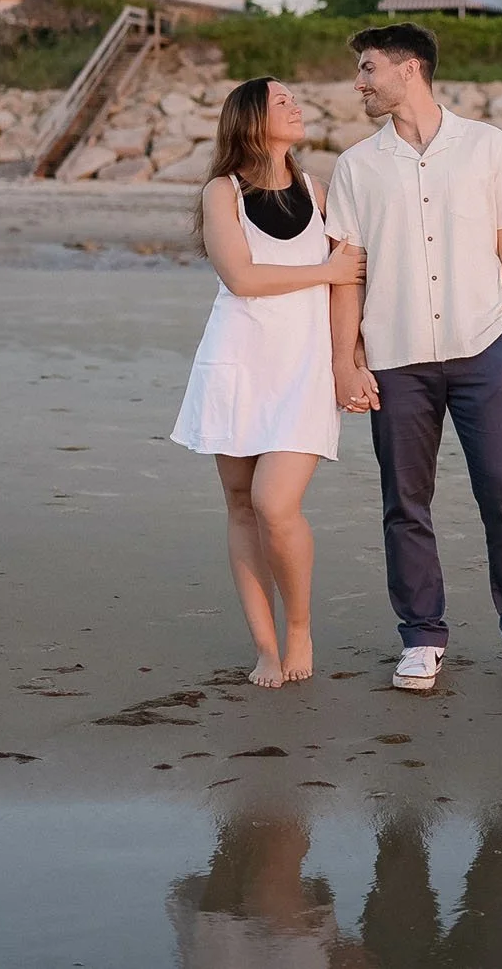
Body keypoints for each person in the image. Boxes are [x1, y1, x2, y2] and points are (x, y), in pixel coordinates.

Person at [324, 23, 502, 695]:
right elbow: (346, 273)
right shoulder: (357, 166)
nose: (359, 81)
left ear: (410, 69)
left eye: (368, 68)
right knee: (405, 502)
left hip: (486, 350)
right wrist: (347, 359)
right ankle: (421, 637)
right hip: (395, 359)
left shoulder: (487, 147)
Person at [170, 77, 366, 689]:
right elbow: (243, 278)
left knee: (274, 504)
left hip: (304, 367)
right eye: (281, 100)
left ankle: (300, 627)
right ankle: (264, 646)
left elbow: (347, 284)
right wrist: (324, 267)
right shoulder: (221, 192)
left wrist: (346, 360)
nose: (295, 105)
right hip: (237, 362)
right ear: (251, 119)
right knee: (239, 505)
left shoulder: (319, 191)